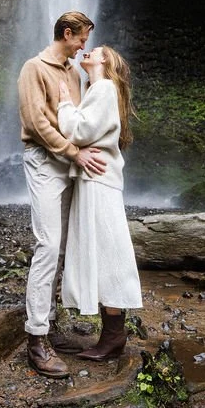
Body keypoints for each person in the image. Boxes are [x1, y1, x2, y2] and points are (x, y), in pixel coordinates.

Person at [17, 11, 108, 378]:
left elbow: (77, 117)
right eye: (82, 38)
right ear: (67, 33)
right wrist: (75, 153)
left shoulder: (72, 71)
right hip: (44, 161)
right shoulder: (32, 68)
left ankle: (50, 320)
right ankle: (36, 339)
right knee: (48, 244)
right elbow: (37, 124)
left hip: (70, 161)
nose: (84, 46)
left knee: (66, 243)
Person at [57, 44, 142, 361]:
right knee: (106, 250)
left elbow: (80, 131)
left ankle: (113, 336)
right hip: (95, 180)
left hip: (98, 181)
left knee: (108, 251)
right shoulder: (101, 89)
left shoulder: (104, 87)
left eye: (94, 49)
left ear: (105, 60)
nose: (87, 51)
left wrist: (65, 106)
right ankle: (111, 334)